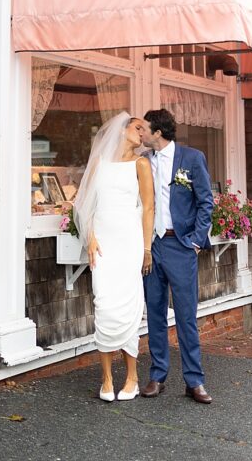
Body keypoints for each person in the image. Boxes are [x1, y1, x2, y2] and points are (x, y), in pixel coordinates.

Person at [74, 112, 154, 401]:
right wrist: (91, 238)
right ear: (122, 130)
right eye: (137, 128)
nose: (142, 134)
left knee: (129, 308)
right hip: (104, 244)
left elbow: (148, 208)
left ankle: (131, 376)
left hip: (129, 243)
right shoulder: (99, 164)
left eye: (144, 130)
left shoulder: (141, 164)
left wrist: (146, 248)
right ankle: (106, 378)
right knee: (105, 305)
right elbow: (86, 204)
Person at [139, 108, 214, 404]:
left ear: (158, 132)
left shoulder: (191, 158)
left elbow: (206, 202)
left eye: (145, 129)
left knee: (185, 316)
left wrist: (195, 242)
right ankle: (157, 375)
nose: (142, 133)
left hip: (180, 246)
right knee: (154, 312)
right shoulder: (144, 162)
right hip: (151, 247)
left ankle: (194, 381)